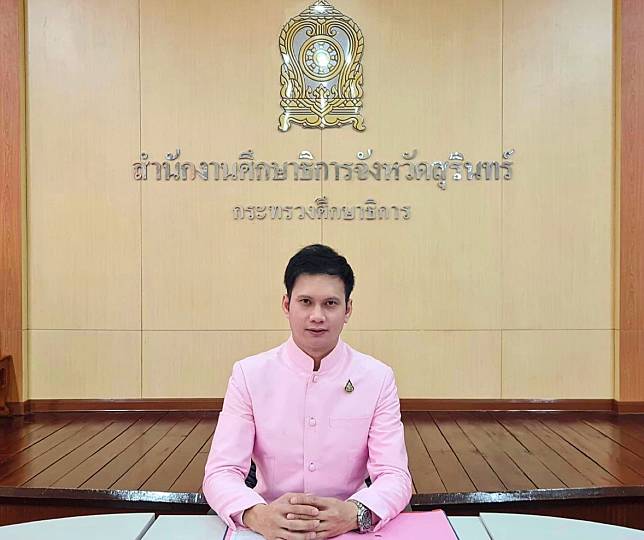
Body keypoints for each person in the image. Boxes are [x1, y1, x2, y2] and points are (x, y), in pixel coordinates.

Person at [203, 244, 412, 539]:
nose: (317, 316)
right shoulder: (249, 375)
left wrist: (354, 513)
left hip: (349, 528)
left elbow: (394, 475)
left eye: (330, 303)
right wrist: (257, 515)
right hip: (268, 527)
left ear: (348, 310)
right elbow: (221, 472)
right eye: (305, 302)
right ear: (286, 305)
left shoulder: (377, 378)